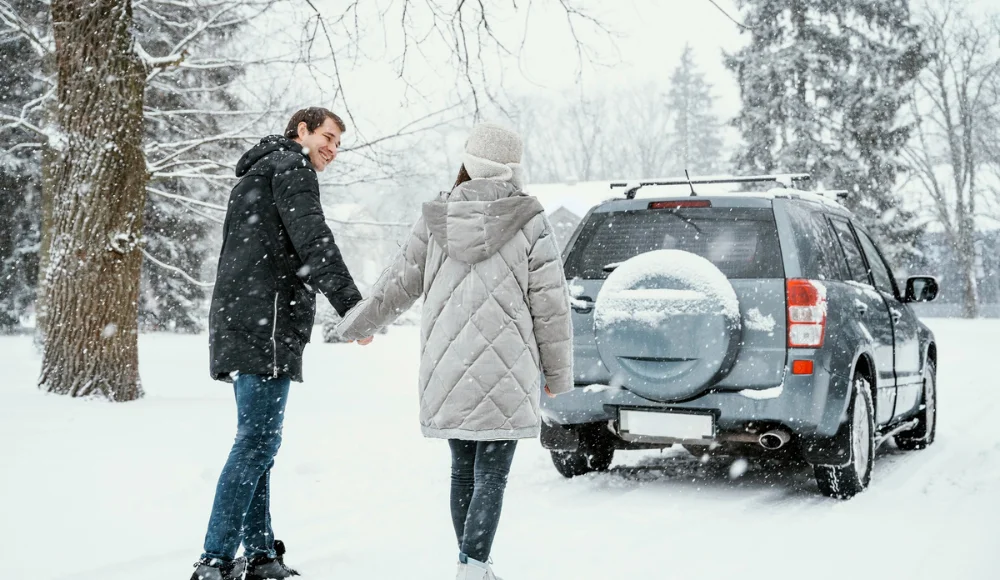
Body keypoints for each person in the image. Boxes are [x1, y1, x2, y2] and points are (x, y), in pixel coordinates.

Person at [335, 122, 574, 580]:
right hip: (508, 364)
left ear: (469, 162)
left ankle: (471, 565)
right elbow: (550, 305)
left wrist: (358, 325)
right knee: (491, 475)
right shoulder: (529, 220)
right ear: (511, 169)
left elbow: (397, 283)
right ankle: (474, 568)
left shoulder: (436, 217)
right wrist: (557, 373)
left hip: (448, 364)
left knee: (464, 471)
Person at [192, 107, 372, 580]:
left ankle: (259, 554)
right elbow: (316, 242)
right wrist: (354, 309)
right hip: (268, 323)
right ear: (302, 132)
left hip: (241, 321)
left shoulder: (254, 173)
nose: (332, 148)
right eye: (327, 137)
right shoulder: (292, 167)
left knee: (259, 445)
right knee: (256, 443)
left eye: (338, 143)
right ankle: (214, 559)